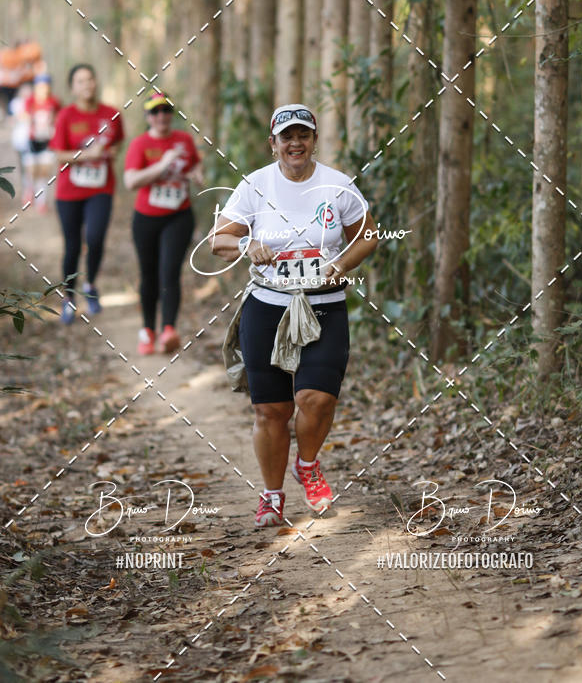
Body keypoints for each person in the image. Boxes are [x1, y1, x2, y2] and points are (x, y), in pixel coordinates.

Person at [210, 104, 378, 528]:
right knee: (272, 411)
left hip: (323, 305)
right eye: (287, 137)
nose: (295, 143)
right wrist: (247, 245)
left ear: (314, 140)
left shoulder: (338, 186)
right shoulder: (254, 185)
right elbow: (217, 241)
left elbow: (368, 237)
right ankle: (271, 496)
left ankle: (308, 464)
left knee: (316, 399)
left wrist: (339, 265)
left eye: (303, 135)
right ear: (274, 145)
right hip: (267, 305)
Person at [124, 92, 204, 356]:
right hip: (146, 218)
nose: (162, 116)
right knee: (149, 274)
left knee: (169, 271)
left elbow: (195, 165)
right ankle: (148, 330)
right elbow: (131, 181)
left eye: (166, 110)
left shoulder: (183, 140)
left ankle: (168, 329)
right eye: (156, 111)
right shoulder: (140, 144)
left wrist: (197, 175)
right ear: (147, 116)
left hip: (179, 216)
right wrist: (163, 164)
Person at [49, 64, 124, 324]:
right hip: (69, 191)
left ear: (95, 82)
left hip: (101, 188)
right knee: (71, 246)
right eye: (80, 81)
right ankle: (69, 297)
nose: (87, 85)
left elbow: (117, 141)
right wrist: (84, 155)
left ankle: (90, 285)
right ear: (73, 87)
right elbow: (58, 153)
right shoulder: (65, 116)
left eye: (90, 79)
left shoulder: (111, 114)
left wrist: (111, 151)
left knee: (95, 237)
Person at [24, 73, 61, 212]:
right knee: (32, 170)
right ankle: (29, 192)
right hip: (33, 140)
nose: (43, 90)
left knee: (44, 172)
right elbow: (24, 116)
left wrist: (53, 123)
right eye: (40, 87)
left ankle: (41, 201)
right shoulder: (30, 101)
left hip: (47, 140)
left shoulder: (54, 101)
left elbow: (60, 116)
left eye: (45, 87)